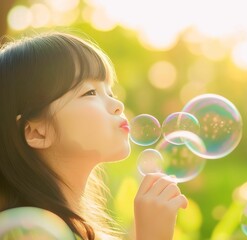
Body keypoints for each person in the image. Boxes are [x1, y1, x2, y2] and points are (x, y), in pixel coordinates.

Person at [0, 31, 188, 240]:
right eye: (89, 92)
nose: (118, 105)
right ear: (36, 132)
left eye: (110, 92)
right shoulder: (27, 233)